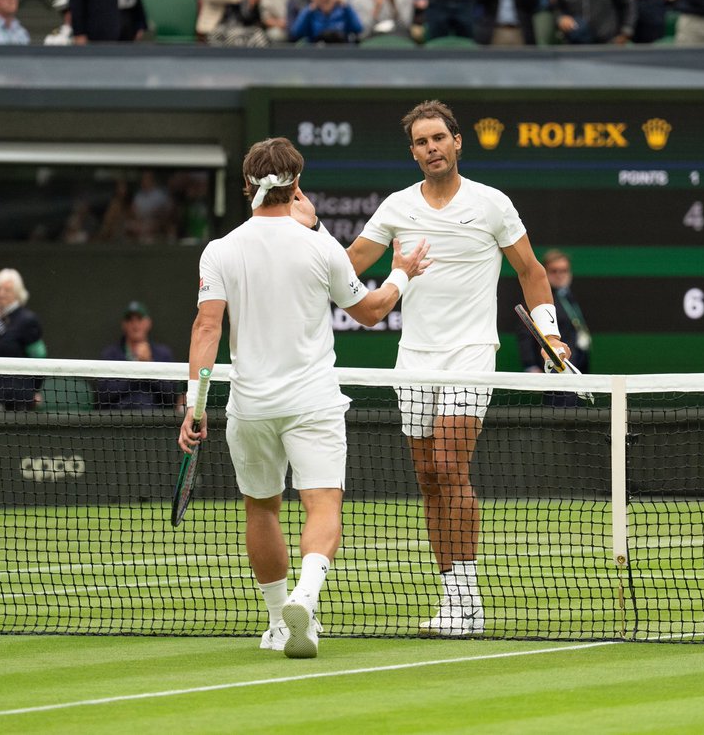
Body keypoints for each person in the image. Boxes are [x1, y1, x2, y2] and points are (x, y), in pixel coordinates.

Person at [179, 136, 430, 658]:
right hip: (312, 402)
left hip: (251, 407)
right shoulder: (322, 248)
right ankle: (306, 598)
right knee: (323, 504)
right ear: (298, 184)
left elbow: (207, 328)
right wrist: (403, 272)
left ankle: (278, 622)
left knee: (261, 509)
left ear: (247, 185)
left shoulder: (219, 250)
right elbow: (371, 310)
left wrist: (194, 405)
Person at [345, 100, 570, 637]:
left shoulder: (491, 205)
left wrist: (550, 334)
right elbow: (352, 262)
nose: (432, 148)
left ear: (456, 141)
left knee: (449, 464)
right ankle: (453, 601)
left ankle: (469, 601)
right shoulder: (398, 206)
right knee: (427, 477)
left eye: (438, 138)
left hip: (470, 352)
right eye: (421, 142)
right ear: (414, 151)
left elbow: (532, 271)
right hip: (414, 358)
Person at [518, 249, 590, 406]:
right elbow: (525, 335)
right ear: (545, 272)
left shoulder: (568, 296)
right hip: (555, 372)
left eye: (564, 270)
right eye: (554, 271)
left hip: (577, 369)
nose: (560, 275)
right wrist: (530, 365)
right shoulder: (538, 300)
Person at [0, 268, 46, 411]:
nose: (1, 293)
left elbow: (40, 358)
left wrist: (34, 390)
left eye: (7, 290)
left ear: (17, 293)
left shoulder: (27, 321)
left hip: (19, 398)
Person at [97, 301, 178, 409]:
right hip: (119, 417)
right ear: (124, 324)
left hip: (154, 417)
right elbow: (103, 396)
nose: (135, 325)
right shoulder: (110, 354)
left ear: (148, 323)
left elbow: (171, 395)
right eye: (130, 320)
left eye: (139, 319)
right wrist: (136, 367)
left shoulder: (163, 354)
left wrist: (149, 364)